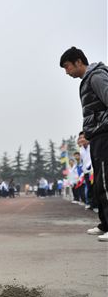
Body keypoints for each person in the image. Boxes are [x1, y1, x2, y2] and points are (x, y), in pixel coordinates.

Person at [60, 47, 108, 241]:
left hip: (105, 136)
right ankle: (105, 223)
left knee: (106, 182)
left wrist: (98, 129)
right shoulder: (87, 81)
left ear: (78, 62)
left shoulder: (96, 77)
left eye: (67, 66)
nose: (66, 72)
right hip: (97, 137)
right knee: (99, 185)